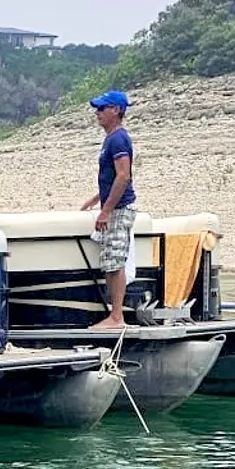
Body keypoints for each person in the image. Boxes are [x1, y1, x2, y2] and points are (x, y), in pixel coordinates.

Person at [80, 90, 137, 328]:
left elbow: (123, 176)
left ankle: (117, 317)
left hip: (119, 208)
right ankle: (114, 316)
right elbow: (114, 176)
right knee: (109, 261)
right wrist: (97, 199)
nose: (97, 113)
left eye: (102, 109)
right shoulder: (111, 139)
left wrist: (106, 210)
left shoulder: (118, 139)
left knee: (115, 261)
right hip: (112, 204)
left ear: (116, 110)